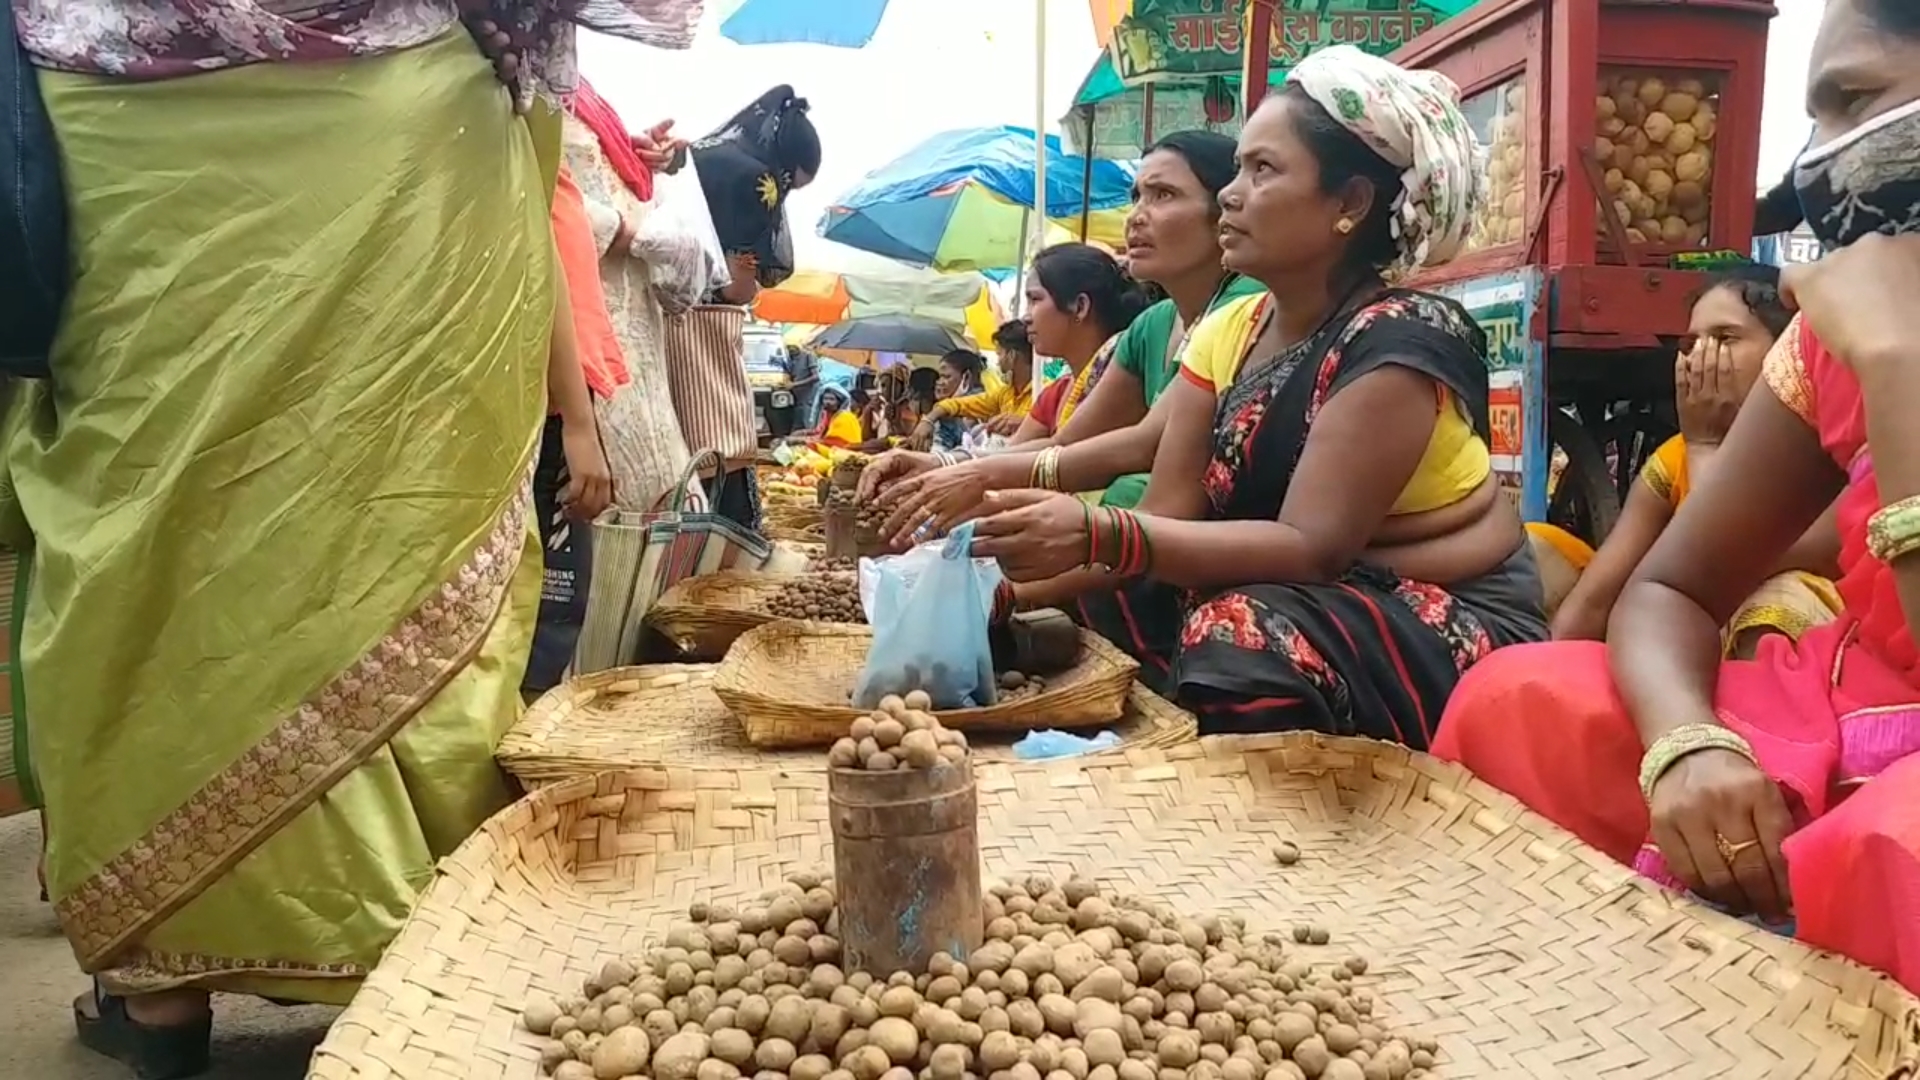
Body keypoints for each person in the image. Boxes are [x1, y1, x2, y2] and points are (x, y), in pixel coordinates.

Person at [4, 0, 697, 1074]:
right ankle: (392, 941)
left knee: (158, 532)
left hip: (116, 97)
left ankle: (165, 998)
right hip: (405, 109)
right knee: (378, 529)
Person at [1432, 0, 1920, 992]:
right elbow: (1672, 590)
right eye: (1815, 118)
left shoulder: (1871, 332)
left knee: (1899, 852)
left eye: (1855, 101)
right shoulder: (1830, 337)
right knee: (1515, 702)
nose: (1821, 158)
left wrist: (1900, 364)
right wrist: (1684, 744)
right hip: (1827, 705)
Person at [962, 46, 1548, 744]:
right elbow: (1169, 510)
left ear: (1350, 204)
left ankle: (1287, 804)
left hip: (1439, 612)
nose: (1232, 194)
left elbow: (1308, 548)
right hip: (1315, 586)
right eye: (1237, 168)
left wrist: (1095, 530)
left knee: (1237, 633)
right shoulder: (1235, 327)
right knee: (1126, 587)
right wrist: (1010, 564)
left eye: (1263, 170)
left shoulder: (1397, 340)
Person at [859, 130, 1264, 525]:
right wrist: (944, 463)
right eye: (1136, 196)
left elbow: (1147, 443)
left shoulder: (1245, 304)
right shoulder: (1151, 326)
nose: (1137, 216)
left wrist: (979, 475)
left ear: (1224, 211)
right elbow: (1064, 442)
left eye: (1164, 195)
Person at [1537, 267, 1843, 653]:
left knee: (1776, 600)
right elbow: (1597, 598)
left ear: (1788, 351)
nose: (1700, 357)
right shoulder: (1674, 459)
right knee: (1539, 552)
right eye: (1690, 342)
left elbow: (1727, 560)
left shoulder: (1829, 450)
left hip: (1812, 653)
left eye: (1724, 338)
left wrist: (1706, 445)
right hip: (1684, 639)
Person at [685, 85, 821, 532]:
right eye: (789, 185)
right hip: (698, 346)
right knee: (722, 453)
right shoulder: (752, 185)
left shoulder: (708, 158)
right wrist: (740, 281)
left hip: (664, 334)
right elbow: (740, 287)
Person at [561, 81, 699, 512]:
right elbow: (528, 192)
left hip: (635, 338)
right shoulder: (508, 63)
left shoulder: (575, 88)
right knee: (592, 514)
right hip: (576, 328)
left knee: (652, 498)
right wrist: (623, 232)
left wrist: (636, 154)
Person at [999, 244, 1153, 447]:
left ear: (1080, 307)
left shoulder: (1126, 383)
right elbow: (1011, 454)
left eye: (1035, 299)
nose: (1026, 317)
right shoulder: (1055, 394)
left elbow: (1059, 454)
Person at [910, 325, 1033, 447]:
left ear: (1012, 356)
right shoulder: (1005, 393)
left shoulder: (1042, 392)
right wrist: (928, 420)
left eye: (999, 354)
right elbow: (960, 405)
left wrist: (1024, 423)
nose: (997, 361)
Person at [785, 344, 821, 433]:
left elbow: (815, 377)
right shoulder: (790, 358)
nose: (791, 349)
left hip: (808, 397)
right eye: (788, 347)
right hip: (798, 398)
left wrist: (795, 384)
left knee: (808, 424)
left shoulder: (808, 356)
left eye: (793, 347)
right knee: (797, 426)